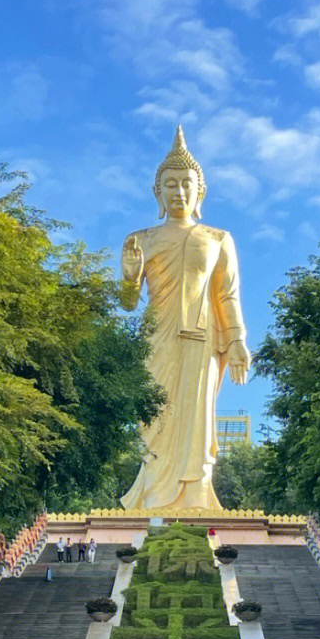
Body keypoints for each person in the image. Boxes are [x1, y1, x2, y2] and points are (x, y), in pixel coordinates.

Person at [120, 127, 250, 512]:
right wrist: (129, 276)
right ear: (157, 193)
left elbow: (226, 294)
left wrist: (238, 340)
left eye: (186, 184)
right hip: (155, 338)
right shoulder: (139, 239)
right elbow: (129, 303)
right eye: (170, 185)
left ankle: (195, 494)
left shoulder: (217, 238)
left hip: (200, 339)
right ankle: (150, 494)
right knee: (155, 417)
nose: (179, 192)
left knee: (196, 417)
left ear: (200, 192)